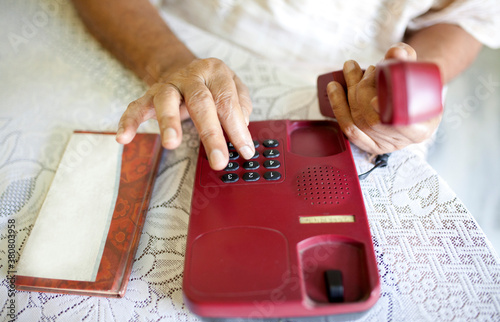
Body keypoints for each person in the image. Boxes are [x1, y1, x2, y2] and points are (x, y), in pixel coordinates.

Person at [71, 0, 498, 170]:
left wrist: (415, 80)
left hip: (357, 81)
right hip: (162, 29)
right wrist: (168, 61)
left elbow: (464, 14)